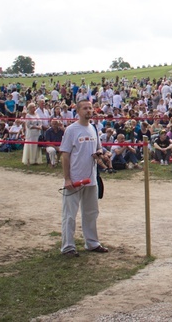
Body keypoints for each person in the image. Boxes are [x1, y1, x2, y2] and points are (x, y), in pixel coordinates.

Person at [60, 99, 108, 257]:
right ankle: (68, 246)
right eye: (85, 108)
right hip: (75, 179)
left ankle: (92, 243)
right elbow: (65, 155)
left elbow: (98, 147)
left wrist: (99, 153)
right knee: (70, 215)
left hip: (91, 179)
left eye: (90, 108)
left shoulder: (93, 128)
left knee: (91, 212)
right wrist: (67, 179)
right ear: (78, 111)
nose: (89, 111)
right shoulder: (71, 130)